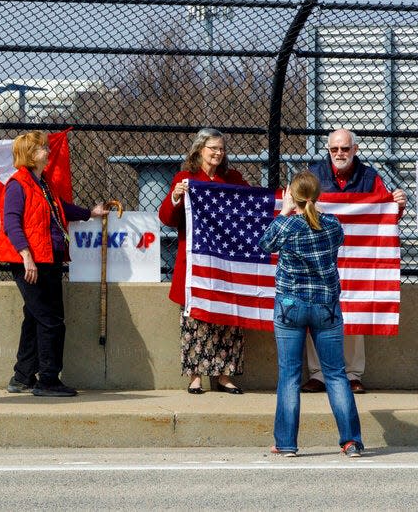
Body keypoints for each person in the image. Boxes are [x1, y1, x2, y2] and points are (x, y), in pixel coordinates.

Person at [0, 131, 106, 397]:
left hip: (49, 256)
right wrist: (26, 256)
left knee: (34, 316)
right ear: (30, 154)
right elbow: (11, 223)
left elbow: (60, 209)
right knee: (51, 319)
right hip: (31, 260)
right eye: (42, 148)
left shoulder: (43, 183)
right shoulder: (17, 184)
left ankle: (22, 376)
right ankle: (48, 379)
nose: (47, 150)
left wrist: (90, 213)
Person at [260, 171, 364, 457]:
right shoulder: (332, 225)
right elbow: (337, 239)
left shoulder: (288, 225)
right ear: (318, 196)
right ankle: (351, 441)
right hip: (326, 306)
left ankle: (286, 443)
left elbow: (265, 245)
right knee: (336, 374)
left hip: (291, 305)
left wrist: (284, 212)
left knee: (290, 375)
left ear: (292, 196)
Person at [301, 128, 407, 395]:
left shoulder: (370, 177)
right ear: (327, 150)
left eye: (345, 149)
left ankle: (352, 374)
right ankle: (318, 374)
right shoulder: (313, 174)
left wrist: (397, 205)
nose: (340, 153)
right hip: (320, 256)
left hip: (359, 257)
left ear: (355, 150)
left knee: (353, 309)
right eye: (335, 149)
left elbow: (385, 215)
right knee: (317, 310)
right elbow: (299, 206)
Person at [158, 128, 248, 395]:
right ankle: (195, 376)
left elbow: (250, 207)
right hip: (195, 262)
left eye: (221, 148)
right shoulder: (185, 179)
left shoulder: (233, 179)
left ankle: (225, 375)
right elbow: (167, 218)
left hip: (226, 262)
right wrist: (176, 196)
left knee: (227, 317)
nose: (218, 153)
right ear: (199, 150)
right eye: (213, 148)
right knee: (195, 319)